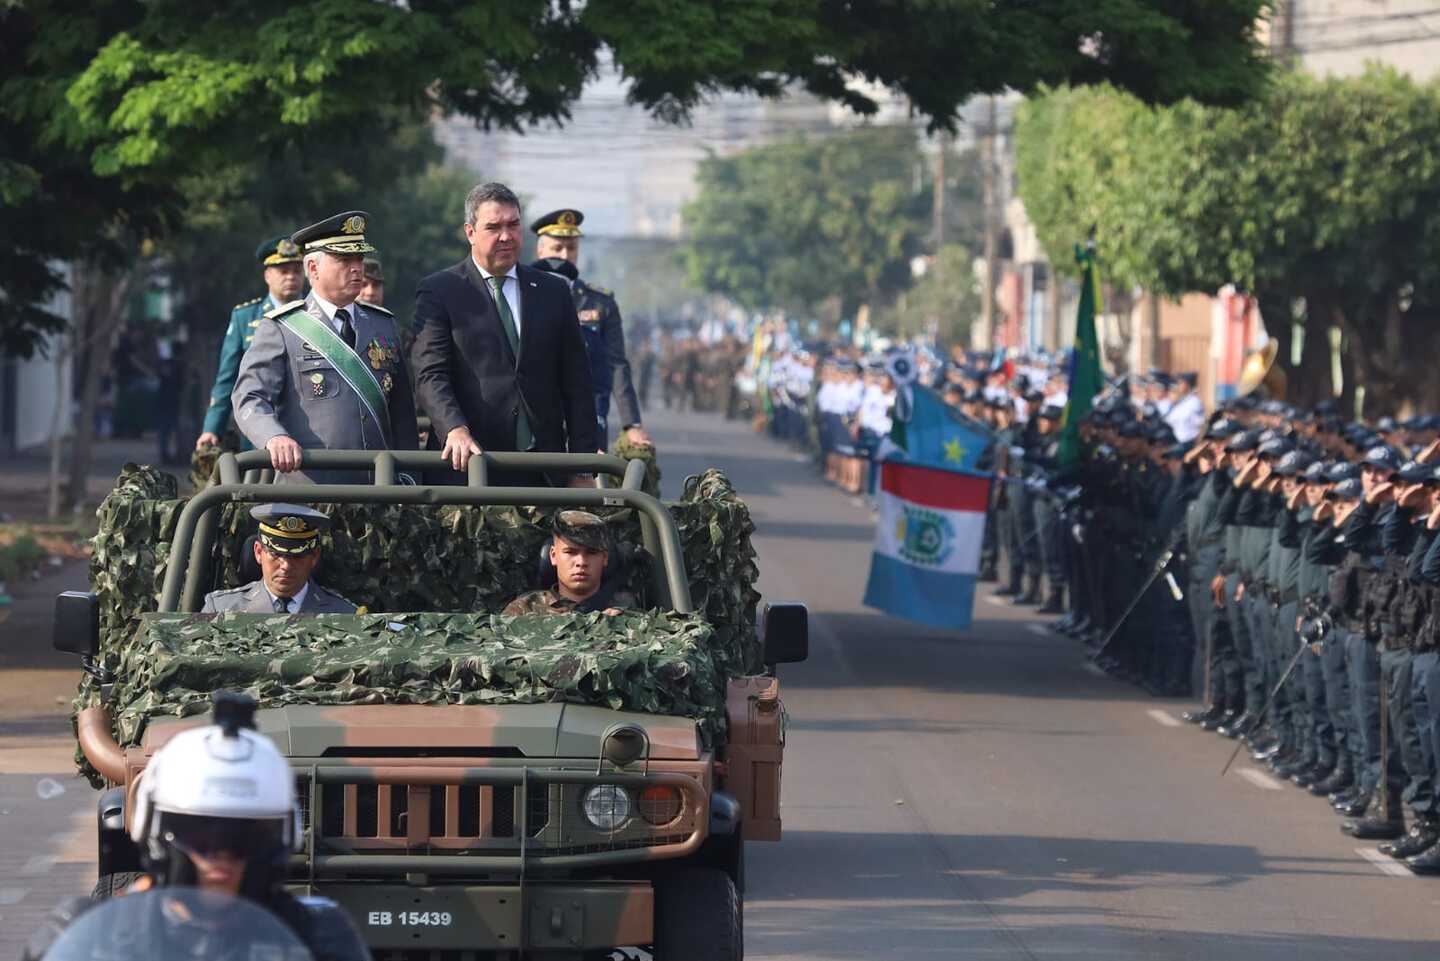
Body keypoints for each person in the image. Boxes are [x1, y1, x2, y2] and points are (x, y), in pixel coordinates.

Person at [21, 692, 371, 961]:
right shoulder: (90, 935)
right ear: (155, 834)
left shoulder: (316, 937)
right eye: (200, 836)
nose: (221, 857)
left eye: (244, 839)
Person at [410, 183, 598, 486]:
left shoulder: (552, 291)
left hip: (542, 467)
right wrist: (453, 428)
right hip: (469, 465)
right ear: (470, 232)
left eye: (513, 225)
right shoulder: (441, 290)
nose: (506, 236)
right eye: (493, 227)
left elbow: (577, 381)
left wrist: (583, 465)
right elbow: (430, 374)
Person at [232, 211, 419, 484]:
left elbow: (403, 416)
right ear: (312, 268)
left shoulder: (384, 324)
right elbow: (249, 398)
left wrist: (409, 477)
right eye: (344, 260)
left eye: (359, 258)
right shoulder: (282, 327)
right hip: (310, 490)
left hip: (379, 492)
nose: (357, 267)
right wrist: (274, 436)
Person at [529, 208, 648, 447]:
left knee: (588, 481)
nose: (564, 255)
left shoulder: (600, 302)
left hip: (589, 418)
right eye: (556, 248)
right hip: (534, 418)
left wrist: (631, 424)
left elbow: (617, 364)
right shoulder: (523, 294)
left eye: (571, 248)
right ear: (540, 250)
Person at [195, 236, 305, 451]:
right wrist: (211, 428)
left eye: (296, 270)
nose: (291, 276)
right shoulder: (245, 317)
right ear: (267, 275)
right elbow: (227, 378)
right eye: (283, 271)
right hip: (258, 431)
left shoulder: (317, 315)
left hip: (308, 430)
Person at [202, 505, 355, 614]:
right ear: (258, 552)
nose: (286, 566)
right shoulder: (220, 610)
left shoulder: (345, 615)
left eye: (297, 556)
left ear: (314, 557)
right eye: (276, 554)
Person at [503, 510, 637, 615]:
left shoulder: (626, 610)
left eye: (591, 553)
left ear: (605, 558)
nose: (581, 562)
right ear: (554, 556)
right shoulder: (525, 609)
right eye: (570, 552)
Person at [1166, 372, 1206, 443]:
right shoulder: (1182, 401)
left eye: (1181, 383)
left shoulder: (1195, 402)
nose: (1178, 385)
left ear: (1188, 384)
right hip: (1176, 442)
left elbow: (1201, 425)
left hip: (1188, 443)